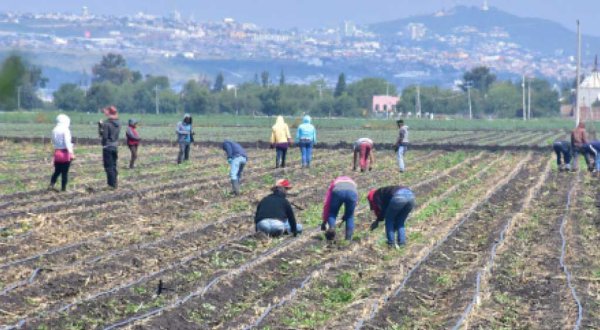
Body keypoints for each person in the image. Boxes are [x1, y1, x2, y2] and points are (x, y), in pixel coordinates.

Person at [321, 176, 358, 241]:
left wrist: (325, 220)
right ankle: (348, 239)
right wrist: (347, 214)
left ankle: (331, 228)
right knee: (350, 216)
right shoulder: (352, 183)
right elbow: (355, 202)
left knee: (332, 213)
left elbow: (327, 204)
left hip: (338, 191)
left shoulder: (335, 183)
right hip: (352, 192)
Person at [49, 114, 75, 192]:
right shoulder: (65, 130)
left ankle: (51, 184)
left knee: (57, 171)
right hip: (65, 153)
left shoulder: (54, 130)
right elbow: (67, 142)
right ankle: (63, 189)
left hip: (57, 152)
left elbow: (53, 142)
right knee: (64, 172)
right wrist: (71, 153)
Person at [98, 106, 121, 189]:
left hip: (107, 147)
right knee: (114, 165)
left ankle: (111, 185)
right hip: (115, 146)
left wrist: (100, 126)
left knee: (108, 166)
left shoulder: (107, 124)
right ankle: (115, 183)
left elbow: (104, 136)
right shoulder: (118, 123)